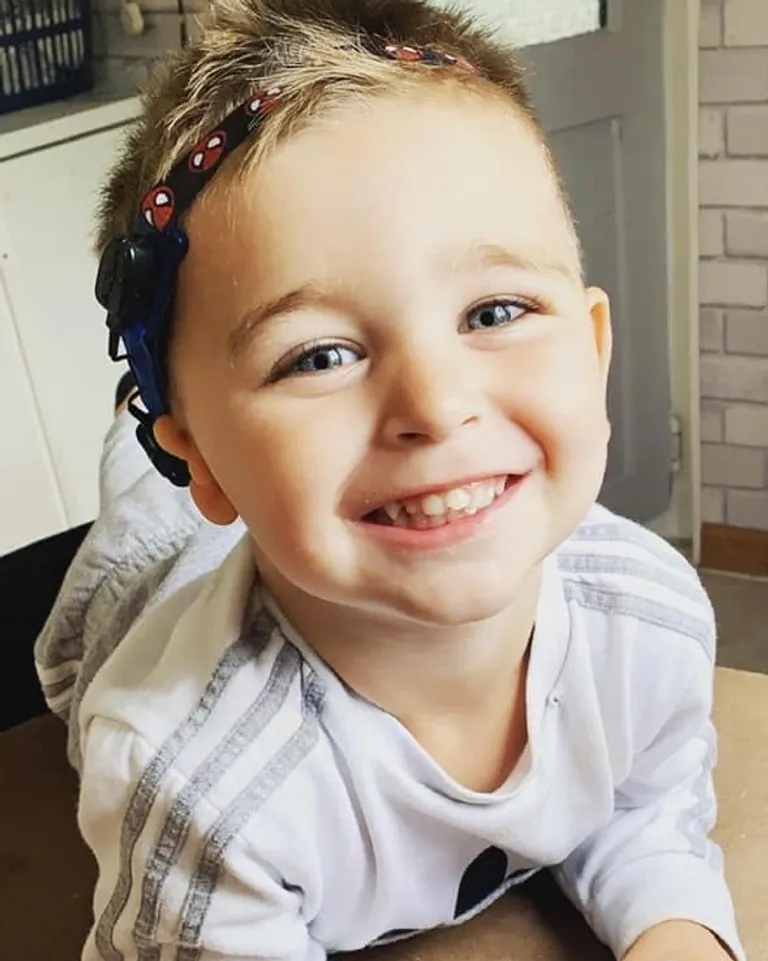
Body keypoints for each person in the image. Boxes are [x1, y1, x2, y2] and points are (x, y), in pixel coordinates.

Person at [35, 2, 745, 959]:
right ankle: (147, 455)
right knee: (144, 521)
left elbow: (640, 807)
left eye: (494, 310)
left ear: (595, 349)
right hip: (159, 571)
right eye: (318, 355)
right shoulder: (195, 781)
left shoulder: (651, 620)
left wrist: (676, 926)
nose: (438, 402)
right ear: (200, 455)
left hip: (283, 510)